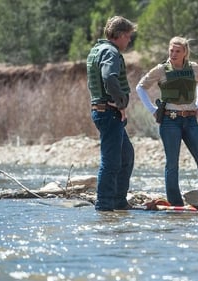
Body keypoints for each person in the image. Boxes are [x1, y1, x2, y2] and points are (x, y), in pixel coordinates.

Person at [136, 36, 198, 206]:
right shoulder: (161, 70)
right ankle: (176, 204)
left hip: (191, 120)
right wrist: (152, 110)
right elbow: (140, 87)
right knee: (172, 164)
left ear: (185, 52)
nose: (173, 53)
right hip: (169, 121)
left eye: (178, 51)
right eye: (171, 50)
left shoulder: (194, 68)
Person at [86, 16, 136, 211]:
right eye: (129, 36)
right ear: (121, 35)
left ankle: (118, 202)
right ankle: (105, 206)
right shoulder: (110, 51)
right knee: (112, 161)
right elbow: (108, 77)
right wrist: (121, 102)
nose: (129, 40)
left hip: (104, 112)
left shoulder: (98, 49)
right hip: (109, 113)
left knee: (126, 156)